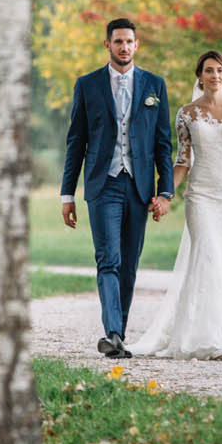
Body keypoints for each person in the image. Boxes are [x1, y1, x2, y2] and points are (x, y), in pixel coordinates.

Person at [129, 51, 222, 361]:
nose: (215, 76)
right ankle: (209, 340)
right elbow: (182, 160)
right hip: (200, 196)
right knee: (207, 255)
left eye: (220, 70)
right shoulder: (187, 113)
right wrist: (165, 194)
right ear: (200, 76)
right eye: (209, 71)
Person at [61, 18, 174, 358]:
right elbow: (75, 142)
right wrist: (67, 194)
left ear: (136, 45)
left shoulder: (155, 85)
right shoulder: (88, 85)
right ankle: (111, 330)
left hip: (139, 187)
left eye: (129, 42)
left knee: (129, 264)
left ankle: (117, 336)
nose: (124, 47)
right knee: (108, 259)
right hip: (103, 184)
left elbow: (163, 144)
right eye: (118, 42)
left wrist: (165, 192)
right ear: (107, 45)